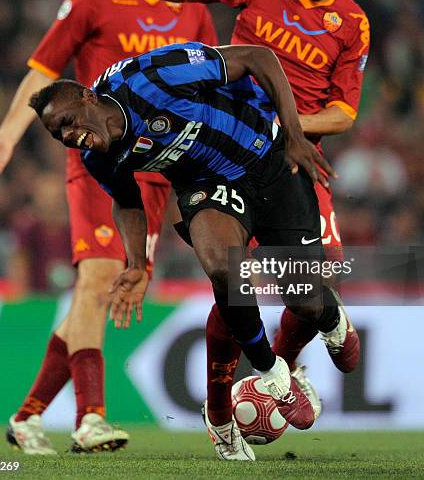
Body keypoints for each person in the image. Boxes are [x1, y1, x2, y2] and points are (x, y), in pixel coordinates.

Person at [94, 0, 367, 440]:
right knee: (232, 278)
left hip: (294, 161)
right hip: (225, 157)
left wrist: (286, 125)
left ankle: (281, 370)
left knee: (313, 289)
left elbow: (344, 114)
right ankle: (221, 405)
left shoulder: (352, 24)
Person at [0, 0, 217, 455]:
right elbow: (42, 69)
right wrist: (8, 135)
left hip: (159, 173)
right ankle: (91, 418)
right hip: (96, 165)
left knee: (98, 292)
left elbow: (205, 89)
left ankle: (28, 417)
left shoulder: (193, 11)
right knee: (101, 280)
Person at [29, 41, 338, 462]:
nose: (68, 136)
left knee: (306, 296)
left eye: (66, 122)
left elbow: (257, 57)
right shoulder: (96, 156)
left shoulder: (151, 77)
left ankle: (332, 322)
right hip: (207, 184)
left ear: (88, 96)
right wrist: (137, 263)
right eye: (57, 134)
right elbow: (127, 201)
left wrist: (295, 133)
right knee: (223, 268)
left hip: (268, 159)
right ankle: (271, 374)